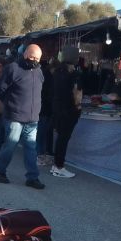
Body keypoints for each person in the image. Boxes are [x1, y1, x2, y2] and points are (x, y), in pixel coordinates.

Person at [0, 44, 45, 190]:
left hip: (32, 119)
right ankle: (0, 171)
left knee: (31, 149)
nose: (35, 60)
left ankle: (32, 177)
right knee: (10, 146)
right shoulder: (13, 68)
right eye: (32, 57)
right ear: (25, 54)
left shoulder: (39, 71)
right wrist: (9, 104)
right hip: (14, 116)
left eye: (38, 58)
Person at [50, 46, 82, 178]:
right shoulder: (73, 74)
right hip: (69, 111)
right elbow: (77, 94)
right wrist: (78, 106)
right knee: (63, 139)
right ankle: (59, 166)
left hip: (58, 109)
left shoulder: (57, 72)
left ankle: (56, 164)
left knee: (60, 138)